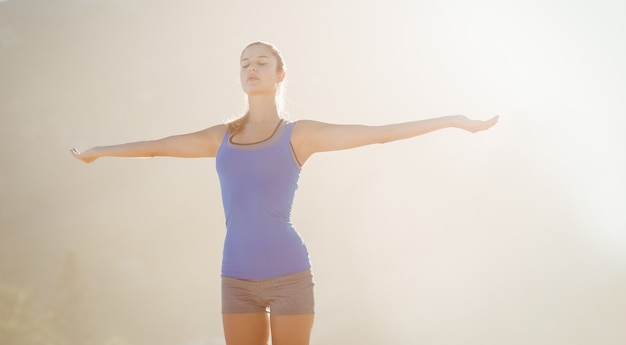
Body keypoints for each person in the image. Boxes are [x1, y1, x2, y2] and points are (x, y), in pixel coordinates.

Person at [71, 41, 499, 345]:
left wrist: (450, 120)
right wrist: (98, 153)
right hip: (235, 279)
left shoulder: (299, 135)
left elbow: (380, 135)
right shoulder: (219, 138)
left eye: (261, 62)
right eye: (244, 63)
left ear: (280, 75)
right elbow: (157, 146)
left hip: (289, 275)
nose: (251, 68)